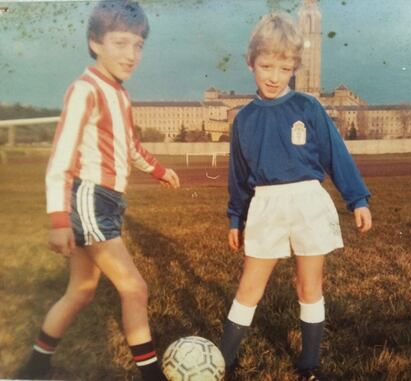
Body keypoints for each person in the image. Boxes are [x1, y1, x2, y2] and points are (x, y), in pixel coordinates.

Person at [16, 1, 179, 380]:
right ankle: (151, 374)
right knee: (135, 288)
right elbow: (61, 157)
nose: (131, 54)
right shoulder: (84, 90)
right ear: (95, 43)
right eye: (120, 43)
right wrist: (58, 218)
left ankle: (34, 366)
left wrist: (158, 169)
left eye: (138, 45)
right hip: (89, 199)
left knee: (82, 290)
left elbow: (131, 145)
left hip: (108, 202)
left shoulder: (119, 95)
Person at [219, 12, 372, 381]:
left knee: (309, 285)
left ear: (295, 68)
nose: (273, 76)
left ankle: (309, 364)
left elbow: (337, 155)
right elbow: (239, 176)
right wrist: (235, 217)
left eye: (283, 67)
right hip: (265, 205)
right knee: (249, 287)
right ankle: (221, 360)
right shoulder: (244, 119)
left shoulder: (308, 108)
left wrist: (358, 199)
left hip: (308, 203)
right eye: (266, 65)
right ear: (250, 63)